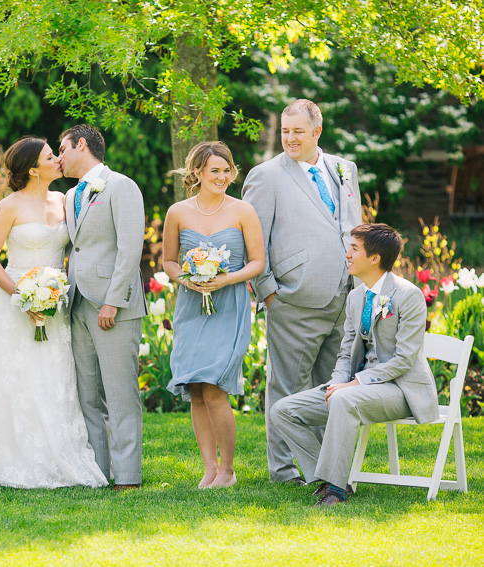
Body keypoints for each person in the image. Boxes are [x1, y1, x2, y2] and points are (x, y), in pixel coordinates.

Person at [0, 136, 106, 488]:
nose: (58, 159)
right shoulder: (9, 206)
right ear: (32, 169)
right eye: (49, 156)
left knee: (53, 377)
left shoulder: (64, 200)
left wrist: (48, 296)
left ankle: (55, 448)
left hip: (55, 306)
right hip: (14, 304)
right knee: (8, 378)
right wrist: (24, 298)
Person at [270, 223, 438, 506]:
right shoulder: (356, 296)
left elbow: (404, 360)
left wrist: (354, 383)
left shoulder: (408, 295)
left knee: (344, 399)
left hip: (402, 390)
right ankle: (327, 480)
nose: (347, 254)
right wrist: (337, 381)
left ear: (375, 258)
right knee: (283, 410)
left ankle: (335, 491)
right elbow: (346, 354)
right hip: (355, 389)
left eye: (354, 249)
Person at [241, 99, 362, 483]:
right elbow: (252, 238)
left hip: (344, 297)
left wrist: (360, 286)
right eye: (285, 131)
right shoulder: (266, 175)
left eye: (298, 131)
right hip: (292, 300)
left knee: (334, 390)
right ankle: (283, 470)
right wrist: (269, 291)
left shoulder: (345, 169)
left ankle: (330, 466)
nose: (290, 139)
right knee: (287, 389)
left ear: (317, 132)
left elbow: (352, 226)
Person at [161, 142, 264, 489]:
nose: (222, 176)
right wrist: (188, 280)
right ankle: (209, 468)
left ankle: (228, 470)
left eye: (227, 170)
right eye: (214, 170)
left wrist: (224, 279)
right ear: (198, 173)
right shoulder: (177, 212)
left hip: (229, 304)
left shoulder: (243, 211)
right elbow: (169, 262)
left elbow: (257, 263)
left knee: (216, 387)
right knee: (196, 388)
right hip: (192, 306)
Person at [59, 124, 147, 490]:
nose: (58, 157)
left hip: (113, 307)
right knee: (87, 395)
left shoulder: (121, 186)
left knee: (121, 393)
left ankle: (127, 476)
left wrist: (113, 301)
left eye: (62, 149)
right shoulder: (69, 196)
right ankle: (98, 470)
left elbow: (130, 248)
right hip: (77, 303)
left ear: (82, 145)